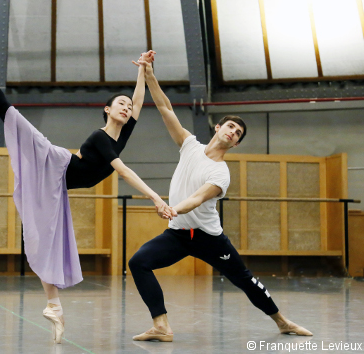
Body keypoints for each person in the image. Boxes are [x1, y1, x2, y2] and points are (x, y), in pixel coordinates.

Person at [0, 24, 172, 344]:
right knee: (9, 111)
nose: (127, 106)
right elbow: (124, 172)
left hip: (58, 186)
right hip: (52, 162)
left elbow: (139, 98)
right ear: (107, 110)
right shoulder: (102, 139)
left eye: (128, 106)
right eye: (120, 104)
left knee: (48, 238)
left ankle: (53, 305)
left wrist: (144, 70)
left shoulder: (123, 133)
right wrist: (155, 198)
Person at [128, 53, 313, 342]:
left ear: (236, 143)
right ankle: (161, 326)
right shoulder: (189, 145)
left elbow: (198, 198)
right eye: (230, 126)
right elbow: (165, 108)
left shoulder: (221, 173)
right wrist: (149, 72)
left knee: (244, 279)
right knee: (138, 262)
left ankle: (282, 321)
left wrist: (172, 208)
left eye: (238, 133)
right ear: (218, 127)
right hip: (178, 234)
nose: (233, 132)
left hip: (208, 237)